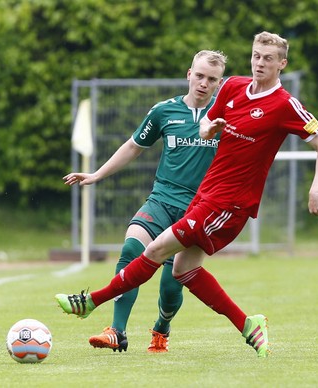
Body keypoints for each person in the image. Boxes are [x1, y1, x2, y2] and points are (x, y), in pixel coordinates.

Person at [56, 31, 318, 358]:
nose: (260, 62)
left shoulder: (285, 104)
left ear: (281, 64)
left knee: (157, 249)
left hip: (230, 203)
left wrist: (315, 190)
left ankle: (91, 302)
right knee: (182, 271)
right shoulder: (231, 87)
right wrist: (209, 129)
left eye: (268, 58)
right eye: (256, 55)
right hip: (206, 196)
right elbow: (208, 126)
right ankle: (248, 324)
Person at [62, 50, 227, 353]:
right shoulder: (164, 111)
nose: (204, 83)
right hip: (161, 200)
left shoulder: (226, 116)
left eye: (212, 79)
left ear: (219, 84)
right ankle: (117, 330)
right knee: (131, 249)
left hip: (198, 209)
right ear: (189, 74)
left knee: (171, 284)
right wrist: (97, 175)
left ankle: (162, 327)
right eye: (200, 75)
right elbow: (133, 146)